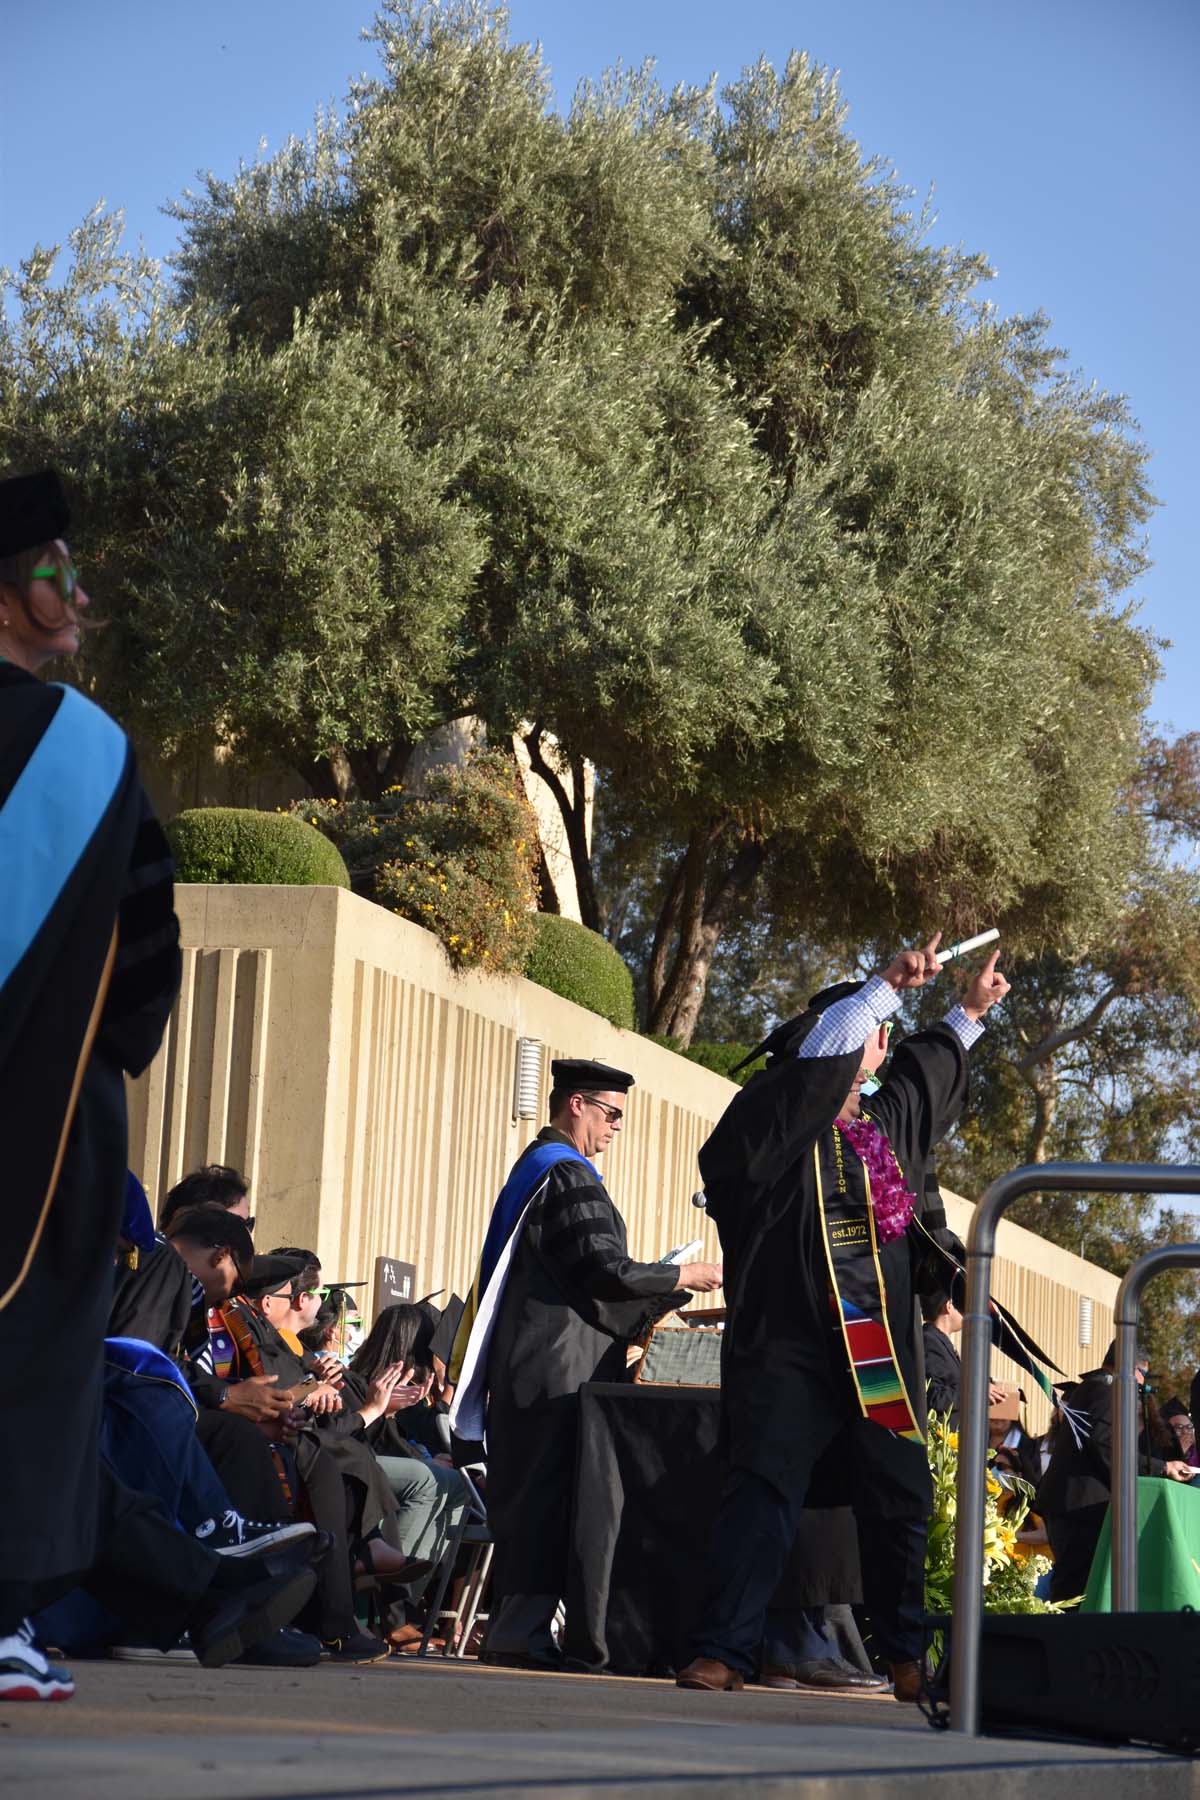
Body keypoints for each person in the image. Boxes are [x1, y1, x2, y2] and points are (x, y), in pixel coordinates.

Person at [677, 936, 1008, 1700]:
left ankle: (904, 1657)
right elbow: (818, 1064)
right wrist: (885, 984)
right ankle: (726, 1649)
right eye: (864, 1031)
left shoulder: (880, 1132)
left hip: (875, 1349)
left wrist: (969, 1011)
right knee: (761, 1492)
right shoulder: (767, 1128)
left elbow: (926, 1080)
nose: (878, 1045)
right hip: (785, 1346)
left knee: (899, 1499)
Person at [0, 468, 182, 1701]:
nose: (78, 592)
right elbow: (145, 969)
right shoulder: (90, 754)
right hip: (49, 1121)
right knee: (28, 1358)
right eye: (60, 569)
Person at [450, 1057, 722, 1670]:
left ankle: (519, 1629)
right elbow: (604, 1271)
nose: (617, 1126)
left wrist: (661, 1290)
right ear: (577, 1103)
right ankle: (518, 1632)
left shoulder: (536, 1170)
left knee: (535, 1493)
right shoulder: (569, 1175)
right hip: (556, 1367)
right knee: (548, 1494)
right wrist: (685, 1274)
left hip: (535, 1359)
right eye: (611, 1112)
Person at [1036, 1342, 1196, 1604]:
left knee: (1074, 1591)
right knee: (1075, 1593)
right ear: (1130, 1368)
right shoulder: (1105, 1392)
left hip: (1074, 1505)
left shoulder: (1092, 1389)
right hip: (1080, 1509)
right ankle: (1070, 1645)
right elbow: (1107, 1445)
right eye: (1143, 1376)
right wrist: (1163, 1467)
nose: (1142, 1386)